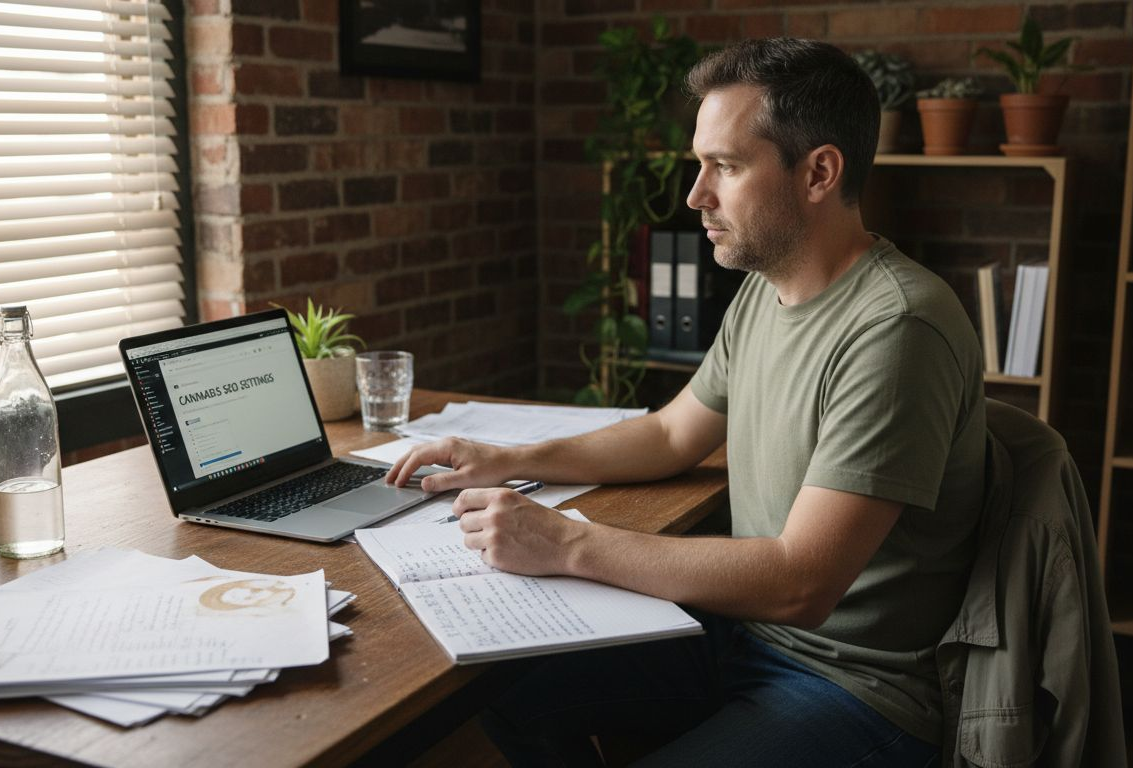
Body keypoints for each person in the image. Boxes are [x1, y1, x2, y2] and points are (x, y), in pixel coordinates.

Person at [387, 37, 985, 767]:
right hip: (741, 637)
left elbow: (802, 583)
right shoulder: (770, 291)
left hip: (853, 685)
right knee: (504, 686)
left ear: (819, 172)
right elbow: (673, 433)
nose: (695, 195)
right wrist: (504, 459)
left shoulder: (897, 328)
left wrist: (568, 543)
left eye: (725, 167)